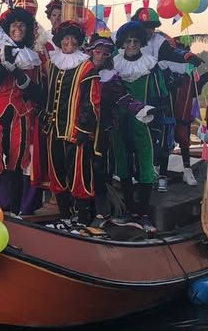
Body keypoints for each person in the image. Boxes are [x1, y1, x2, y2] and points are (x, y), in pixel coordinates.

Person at [0, 4, 42, 214]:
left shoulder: (33, 57)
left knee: (16, 163)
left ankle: (14, 213)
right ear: (8, 28)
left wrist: (21, 76)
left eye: (22, 25)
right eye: (14, 24)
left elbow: (37, 93)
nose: (18, 28)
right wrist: (6, 66)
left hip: (20, 113)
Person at [132, 7, 208, 187]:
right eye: (145, 26)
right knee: (133, 132)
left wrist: (187, 56)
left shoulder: (159, 42)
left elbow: (173, 53)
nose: (148, 30)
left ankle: (160, 175)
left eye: (151, 26)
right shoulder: (129, 40)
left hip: (156, 92)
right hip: (133, 92)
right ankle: (134, 172)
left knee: (162, 132)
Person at [85, 34, 154, 225]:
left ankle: (113, 212)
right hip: (81, 127)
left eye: (105, 54)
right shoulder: (80, 70)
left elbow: (122, 96)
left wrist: (141, 109)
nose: (100, 56)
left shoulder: (111, 77)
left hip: (107, 127)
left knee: (102, 167)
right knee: (82, 166)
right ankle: (82, 211)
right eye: (97, 52)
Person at [112, 21, 173, 228]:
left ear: (141, 42)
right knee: (123, 164)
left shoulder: (150, 65)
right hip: (119, 123)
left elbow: (162, 95)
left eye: (135, 41)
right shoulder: (114, 64)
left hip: (143, 123)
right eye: (128, 41)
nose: (131, 44)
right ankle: (129, 211)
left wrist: (155, 117)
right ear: (122, 43)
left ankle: (143, 214)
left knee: (146, 165)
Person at [41, 19, 99, 230]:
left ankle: (82, 219)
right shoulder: (50, 64)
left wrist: (84, 128)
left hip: (76, 131)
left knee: (80, 174)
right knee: (57, 172)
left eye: (73, 39)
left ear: (79, 41)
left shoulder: (86, 66)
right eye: (65, 38)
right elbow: (43, 94)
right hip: (53, 130)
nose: (69, 42)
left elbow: (92, 101)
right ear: (59, 40)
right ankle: (65, 216)